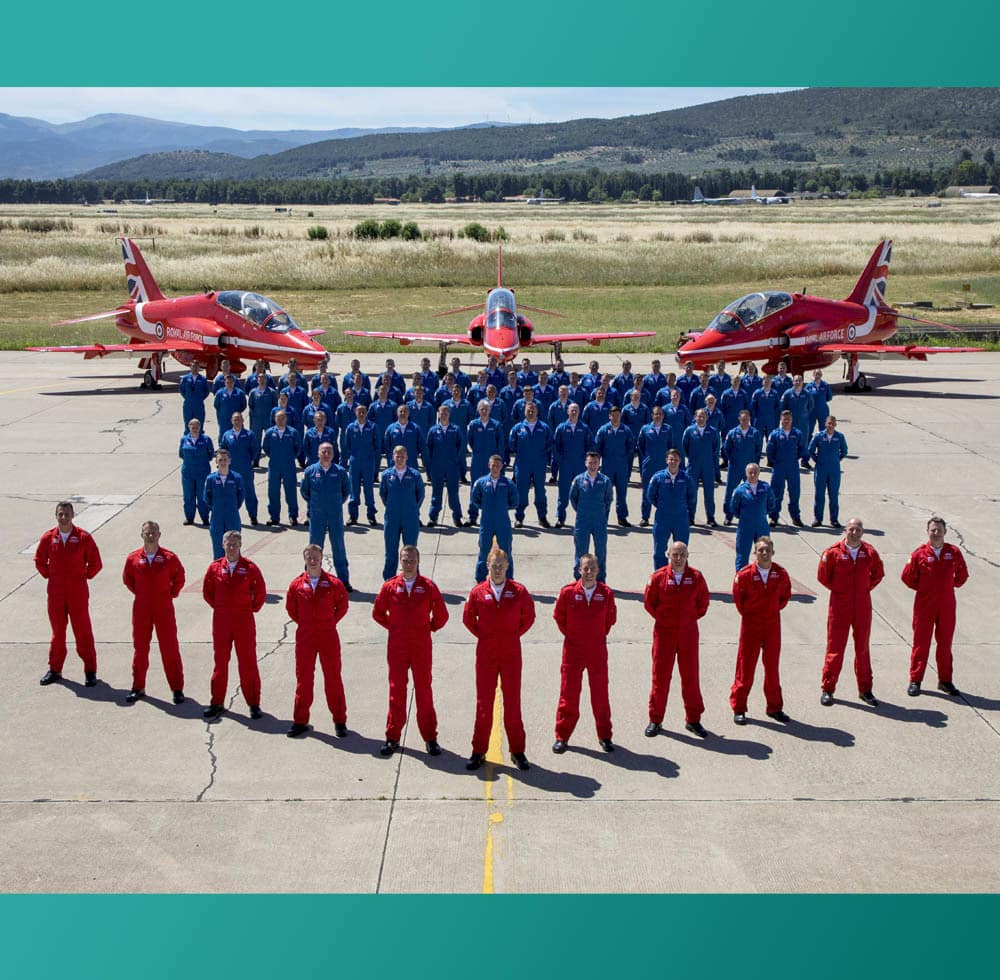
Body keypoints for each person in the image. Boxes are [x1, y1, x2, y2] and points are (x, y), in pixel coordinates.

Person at [463, 547, 536, 771]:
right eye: (493, 565)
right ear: (487, 566)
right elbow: (468, 618)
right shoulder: (477, 592)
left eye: (501, 566)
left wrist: (512, 634)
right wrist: (485, 636)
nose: (497, 570)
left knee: (513, 703)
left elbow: (529, 617)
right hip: (486, 653)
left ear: (507, 566)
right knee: (484, 704)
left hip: (511, 653)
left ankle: (518, 751)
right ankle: (478, 751)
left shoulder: (519, 591)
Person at [372, 545, 449, 758]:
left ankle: (430, 738)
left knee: (424, 691)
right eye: (405, 560)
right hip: (397, 646)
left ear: (418, 562)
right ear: (400, 562)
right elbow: (378, 613)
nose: (408, 564)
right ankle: (392, 736)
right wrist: (395, 628)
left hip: (420, 646)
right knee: (397, 691)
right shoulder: (389, 587)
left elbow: (442, 615)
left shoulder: (428, 587)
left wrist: (427, 628)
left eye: (412, 560)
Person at [552, 553, 618, 754]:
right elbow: (559, 617)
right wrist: (573, 636)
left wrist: (596, 636)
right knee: (568, 694)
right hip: (573, 650)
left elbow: (610, 619)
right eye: (585, 568)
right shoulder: (568, 593)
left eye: (592, 568)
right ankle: (562, 736)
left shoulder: (605, 594)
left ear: (598, 571)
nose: (589, 572)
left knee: (600, 694)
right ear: (579, 570)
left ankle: (605, 735)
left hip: (597, 650)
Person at [643, 540, 711, 738]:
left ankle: (693, 720)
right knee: (660, 677)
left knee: (690, 676)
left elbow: (703, 604)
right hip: (664, 634)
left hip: (688, 634)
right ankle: (655, 719)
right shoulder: (658, 578)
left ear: (687, 555)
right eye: (675, 555)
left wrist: (687, 620)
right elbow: (649, 603)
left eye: (682, 554)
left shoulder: (696, 578)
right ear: (668, 555)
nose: (679, 558)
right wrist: (665, 619)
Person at [285, 544, 351, 738]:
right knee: (304, 679)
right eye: (309, 557)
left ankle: (340, 721)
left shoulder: (333, 583)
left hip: (327, 635)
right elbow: (291, 609)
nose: (312, 560)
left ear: (321, 558)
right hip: (305, 636)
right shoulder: (296, 585)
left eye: (315, 557)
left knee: (333, 678)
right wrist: (306, 624)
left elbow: (343, 606)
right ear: (304, 559)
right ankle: (300, 720)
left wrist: (328, 622)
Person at [817, 517, 885, 707]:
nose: (854, 533)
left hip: (862, 604)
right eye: (851, 529)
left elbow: (878, 574)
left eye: (858, 530)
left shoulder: (869, 552)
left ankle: (865, 689)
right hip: (839, 605)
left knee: (862, 647)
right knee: (835, 648)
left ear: (862, 532)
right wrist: (840, 590)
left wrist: (863, 589)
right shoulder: (832, 553)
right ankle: (828, 689)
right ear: (845, 531)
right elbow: (823, 576)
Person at [36, 501, 103, 687]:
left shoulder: (83, 538)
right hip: (56, 593)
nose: (64, 517)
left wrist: (84, 576)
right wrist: (50, 576)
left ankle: (90, 671)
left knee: (83, 631)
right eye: (60, 514)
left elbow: (96, 563)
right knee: (58, 633)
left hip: (77, 592)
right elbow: (39, 560)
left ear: (73, 515)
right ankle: (55, 669)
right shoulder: (48, 538)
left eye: (67, 514)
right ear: (56, 516)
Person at [201, 530, 267, 719]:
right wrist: (221, 608)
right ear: (223, 545)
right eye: (228, 544)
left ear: (240, 546)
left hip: (243, 620)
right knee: (220, 662)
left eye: (235, 545)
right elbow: (208, 592)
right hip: (221, 620)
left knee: (248, 662)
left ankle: (253, 703)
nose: (231, 548)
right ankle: (217, 702)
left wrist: (249, 609)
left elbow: (260, 592)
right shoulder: (214, 568)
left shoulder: (250, 568)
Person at [901, 517, 969, 697]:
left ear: (945, 532)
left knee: (945, 644)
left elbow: (962, 575)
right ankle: (916, 680)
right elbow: (907, 577)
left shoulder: (953, 552)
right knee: (920, 643)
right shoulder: (919, 554)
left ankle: (945, 681)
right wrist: (925, 589)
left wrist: (946, 587)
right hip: (924, 605)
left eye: (939, 530)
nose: (936, 533)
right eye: (933, 530)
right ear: (928, 531)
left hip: (946, 605)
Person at [122, 521, 186, 704]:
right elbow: (128, 580)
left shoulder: (169, 558)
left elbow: (179, 578)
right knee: (140, 649)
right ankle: (138, 687)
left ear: (159, 535)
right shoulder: (133, 558)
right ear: (141, 535)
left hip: (163, 608)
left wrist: (170, 594)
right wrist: (142, 595)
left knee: (170, 648)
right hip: (142, 608)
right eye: (147, 533)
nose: (150, 536)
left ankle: (177, 689)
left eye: (154, 533)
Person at [730, 536, 792, 724]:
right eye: (760, 550)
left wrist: (770, 612)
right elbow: (738, 600)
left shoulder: (781, 574)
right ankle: (739, 708)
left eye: (767, 550)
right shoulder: (744, 575)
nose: (764, 553)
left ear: (773, 552)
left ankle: (774, 707)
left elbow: (784, 597)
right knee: (745, 667)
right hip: (751, 626)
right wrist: (751, 615)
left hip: (772, 625)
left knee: (772, 668)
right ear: (754, 553)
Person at [300, 442, 352, 590]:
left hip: (335, 514)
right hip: (317, 514)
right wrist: (315, 504)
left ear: (333, 454)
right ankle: (310, 579)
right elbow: (305, 491)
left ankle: (344, 580)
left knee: (338, 546)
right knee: (314, 548)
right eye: (323, 451)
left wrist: (335, 503)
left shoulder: (340, 471)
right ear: (318, 453)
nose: (326, 454)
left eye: (329, 451)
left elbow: (346, 490)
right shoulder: (310, 471)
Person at [378, 445, 424, 581]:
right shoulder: (386, 475)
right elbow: (383, 494)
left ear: (407, 458)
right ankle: (389, 580)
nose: (399, 459)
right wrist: (393, 507)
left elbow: (420, 495)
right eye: (397, 456)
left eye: (402, 456)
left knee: (411, 551)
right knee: (391, 551)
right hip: (392, 517)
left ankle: (415, 580)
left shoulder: (415, 475)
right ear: (393, 457)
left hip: (410, 518)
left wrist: (412, 509)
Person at [470, 454, 518, 582]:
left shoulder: (507, 483)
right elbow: (475, 499)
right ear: (489, 466)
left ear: (502, 466)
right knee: (484, 551)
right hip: (486, 521)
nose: (495, 468)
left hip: (503, 522)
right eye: (493, 465)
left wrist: (502, 507)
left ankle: (509, 579)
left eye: (497, 465)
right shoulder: (481, 482)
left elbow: (515, 500)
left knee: (506, 551)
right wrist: (487, 508)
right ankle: (480, 579)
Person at [647, 449, 696, 569]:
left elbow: (692, 496)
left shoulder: (686, 478)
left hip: (681, 519)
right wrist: (662, 506)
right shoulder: (658, 477)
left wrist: (683, 508)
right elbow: (650, 495)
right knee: (659, 550)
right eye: (671, 459)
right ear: (666, 460)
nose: (673, 462)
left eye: (676, 460)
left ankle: (681, 578)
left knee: (681, 550)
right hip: (662, 518)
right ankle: (660, 577)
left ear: (680, 461)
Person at [570, 451, 613, 582]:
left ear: (599, 464)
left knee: (601, 552)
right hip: (582, 521)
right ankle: (579, 579)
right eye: (590, 462)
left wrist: (601, 514)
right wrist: (582, 511)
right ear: (585, 463)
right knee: (580, 552)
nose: (592, 465)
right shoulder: (578, 480)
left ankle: (600, 579)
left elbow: (608, 500)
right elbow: (573, 498)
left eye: (595, 463)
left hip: (599, 521)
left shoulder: (605, 481)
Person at [508, 402, 552, 528]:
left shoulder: (544, 428)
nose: (531, 412)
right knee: (521, 491)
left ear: (537, 411)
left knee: (540, 491)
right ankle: (519, 518)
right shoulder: (517, 428)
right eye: (528, 410)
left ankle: (542, 517)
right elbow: (512, 444)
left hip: (539, 464)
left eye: (533, 410)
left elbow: (549, 443)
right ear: (524, 411)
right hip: (522, 464)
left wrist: (541, 455)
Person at [553, 402, 593, 528]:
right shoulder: (561, 428)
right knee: (563, 492)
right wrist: (560, 460)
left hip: (580, 464)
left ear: (579, 412)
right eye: (572, 410)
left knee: (582, 493)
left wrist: (586, 461)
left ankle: (583, 519)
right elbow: (555, 446)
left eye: (576, 410)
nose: (574, 412)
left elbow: (591, 444)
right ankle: (560, 518)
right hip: (566, 465)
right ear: (567, 412)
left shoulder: (584, 428)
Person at [425, 405, 466, 528]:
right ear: (438, 414)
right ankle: (433, 517)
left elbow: (461, 447)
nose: (443, 415)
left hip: (451, 467)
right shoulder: (433, 430)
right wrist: (430, 466)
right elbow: (428, 448)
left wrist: (456, 462)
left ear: (449, 414)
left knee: (453, 494)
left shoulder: (456, 429)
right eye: (442, 413)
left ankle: (457, 517)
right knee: (436, 493)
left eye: (446, 413)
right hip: (437, 467)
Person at [766, 410, 807, 528]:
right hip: (779, 467)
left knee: (794, 493)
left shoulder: (797, 434)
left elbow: (802, 449)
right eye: (784, 419)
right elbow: (770, 450)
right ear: (781, 420)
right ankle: (774, 517)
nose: (786, 421)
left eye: (788, 419)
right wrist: (775, 462)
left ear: (792, 420)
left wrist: (795, 459)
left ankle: (795, 517)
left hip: (792, 467)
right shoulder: (775, 434)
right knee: (776, 493)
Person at [731, 463, 776, 571]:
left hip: (762, 526)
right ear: (746, 474)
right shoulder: (740, 490)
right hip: (745, 527)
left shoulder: (765, 488)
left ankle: (763, 577)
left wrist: (762, 514)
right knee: (742, 555)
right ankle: (741, 579)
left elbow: (772, 503)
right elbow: (734, 507)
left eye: (755, 472)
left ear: (759, 473)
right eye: (750, 473)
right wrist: (744, 517)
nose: (753, 475)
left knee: (764, 553)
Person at [595, 405, 635, 527]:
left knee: (622, 493)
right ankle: (603, 517)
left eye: (618, 415)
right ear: (609, 416)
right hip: (608, 466)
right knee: (605, 493)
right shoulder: (603, 430)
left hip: (622, 466)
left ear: (620, 416)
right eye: (613, 415)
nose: (616, 417)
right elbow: (597, 447)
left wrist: (626, 462)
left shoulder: (626, 430)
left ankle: (622, 517)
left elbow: (631, 447)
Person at [467, 401, 505, 525]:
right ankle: (473, 516)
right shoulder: (473, 425)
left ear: (490, 410)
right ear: (478, 410)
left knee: (493, 488)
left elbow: (500, 443)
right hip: (478, 460)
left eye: (486, 409)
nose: (484, 411)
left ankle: (491, 516)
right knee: (475, 486)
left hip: (492, 461)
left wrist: (498, 461)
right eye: (482, 409)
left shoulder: (496, 425)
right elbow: (470, 441)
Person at [723, 410, 763, 526]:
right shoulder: (732, 433)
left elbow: (758, 449)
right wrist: (733, 460)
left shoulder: (755, 433)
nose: (744, 421)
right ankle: (728, 515)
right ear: (739, 419)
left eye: (746, 419)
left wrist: (754, 464)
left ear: (749, 419)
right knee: (731, 491)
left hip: (750, 469)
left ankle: (749, 515)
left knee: (751, 492)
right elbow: (726, 449)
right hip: (735, 467)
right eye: (742, 419)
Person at [262, 409, 302, 527]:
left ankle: (293, 516)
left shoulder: (293, 432)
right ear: (275, 419)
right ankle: (274, 517)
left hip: (288, 465)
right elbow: (266, 447)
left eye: (282, 418)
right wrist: (274, 457)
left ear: (286, 419)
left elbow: (298, 447)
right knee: (273, 491)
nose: (280, 420)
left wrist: (290, 457)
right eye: (278, 418)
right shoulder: (269, 433)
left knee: (290, 491)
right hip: (274, 465)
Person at [808, 416, 848, 528]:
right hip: (821, 469)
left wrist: (836, 460)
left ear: (835, 425)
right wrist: (818, 460)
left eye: (833, 424)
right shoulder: (819, 436)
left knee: (834, 495)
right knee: (819, 495)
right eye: (829, 423)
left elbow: (844, 451)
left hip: (834, 470)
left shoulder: (839, 437)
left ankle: (834, 519)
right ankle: (818, 519)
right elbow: (810, 450)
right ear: (825, 424)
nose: (831, 426)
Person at [344, 403, 380, 527]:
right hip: (355, 461)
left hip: (368, 461)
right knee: (354, 489)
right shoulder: (350, 427)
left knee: (368, 489)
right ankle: (353, 516)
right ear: (355, 413)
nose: (361, 414)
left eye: (363, 412)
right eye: (359, 412)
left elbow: (377, 445)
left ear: (366, 413)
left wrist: (372, 457)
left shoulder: (373, 427)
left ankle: (371, 515)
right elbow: (346, 445)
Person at [220, 412, 260, 525]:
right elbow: (223, 450)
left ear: (243, 421)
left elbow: (255, 450)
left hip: (245, 469)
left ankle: (253, 516)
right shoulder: (227, 435)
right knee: (230, 495)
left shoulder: (249, 434)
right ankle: (231, 517)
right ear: (231, 421)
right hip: (231, 470)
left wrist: (248, 461)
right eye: (235, 419)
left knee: (250, 494)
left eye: (239, 419)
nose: (237, 421)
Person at [682, 408, 720, 527]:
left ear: (707, 418)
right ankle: (690, 517)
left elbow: (715, 448)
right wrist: (693, 457)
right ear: (695, 417)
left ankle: (710, 517)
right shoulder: (689, 431)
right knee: (692, 492)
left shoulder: (713, 431)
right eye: (699, 416)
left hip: (708, 466)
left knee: (709, 493)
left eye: (703, 416)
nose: (701, 418)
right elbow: (685, 447)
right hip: (693, 465)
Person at [204, 448, 244, 559]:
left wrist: (231, 508)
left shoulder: (236, 478)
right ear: (216, 461)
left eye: (225, 460)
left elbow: (240, 497)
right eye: (220, 460)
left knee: (234, 548)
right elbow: (207, 498)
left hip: (232, 517)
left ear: (229, 461)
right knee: (218, 549)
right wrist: (217, 508)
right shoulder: (211, 479)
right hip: (217, 518)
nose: (223, 462)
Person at [637, 406, 674, 527]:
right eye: (656, 414)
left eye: (660, 414)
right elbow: (640, 446)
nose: (658, 416)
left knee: (664, 491)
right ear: (652, 415)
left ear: (663, 416)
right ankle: (645, 517)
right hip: (649, 465)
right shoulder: (645, 429)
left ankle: (664, 515)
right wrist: (647, 459)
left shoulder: (668, 429)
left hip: (663, 465)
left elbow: (671, 447)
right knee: (647, 491)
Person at [179, 418, 214, 525]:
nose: (194, 429)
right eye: (192, 427)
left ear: (200, 427)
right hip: (188, 472)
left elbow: (211, 454)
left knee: (202, 496)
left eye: (196, 427)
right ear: (189, 427)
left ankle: (205, 518)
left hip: (202, 472)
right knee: (188, 496)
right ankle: (190, 518)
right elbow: (181, 454)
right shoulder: (184, 440)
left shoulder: (206, 439)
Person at [247, 372, 279, 449]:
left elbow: (275, 405)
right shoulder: (253, 392)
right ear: (257, 381)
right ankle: (256, 456)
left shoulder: (272, 392)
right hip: (257, 420)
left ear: (266, 380)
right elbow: (251, 405)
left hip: (268, 419)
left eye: (263, 379)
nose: (262, 381)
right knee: (256, 439)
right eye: (260, 379)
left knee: (271, 438)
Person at [213, 374, 247, 439]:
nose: (229, 384)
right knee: (223, 435)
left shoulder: (239, 393)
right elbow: (216, 405)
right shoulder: (220, 393)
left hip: (236, 419)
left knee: (237, 434)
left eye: (231, 382)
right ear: (225, 383)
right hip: (224, 419)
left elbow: (243, 405)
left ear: (234, 382)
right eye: (228, 382)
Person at [179, 361, 210, 429]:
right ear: (190, 367)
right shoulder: (185, 379)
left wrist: (200, 398)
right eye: (193, 366)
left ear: (199, 368)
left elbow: (207, 391)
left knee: (200, 425)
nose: (195, 368)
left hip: (199, 405)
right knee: (188, 425)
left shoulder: (203, 379)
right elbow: (181, 390)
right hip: (188, 405)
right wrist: (188, 397)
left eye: (196, 367)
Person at [806, 369, 833, 436]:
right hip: (812, 410)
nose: (817, 376)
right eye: (816, 374)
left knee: (824, 429)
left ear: (821, 375)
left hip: (822, 410)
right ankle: (809, 444)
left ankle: (822, 444)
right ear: (813, 375)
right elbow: (805, 398)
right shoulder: (809, 386)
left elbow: (829, 397)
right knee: (809, 428)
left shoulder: (825, 385)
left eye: (819, 374)